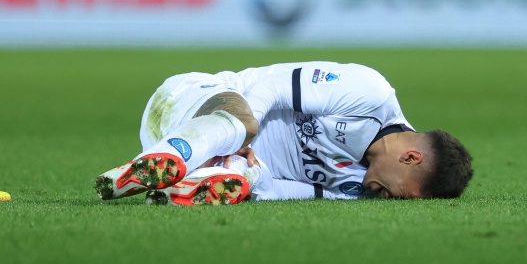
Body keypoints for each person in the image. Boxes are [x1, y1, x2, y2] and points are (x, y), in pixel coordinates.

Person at [95, 61, 474, 205]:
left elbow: (280, 191)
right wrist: (245, 139)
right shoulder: (370, 94)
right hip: (192, 101)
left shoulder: (358, 190)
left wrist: (257, 175)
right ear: (411, 158)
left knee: (243, 180)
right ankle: (171, 159)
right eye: (404, 195)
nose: (392, 201)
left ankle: (171, 184)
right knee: (243, 122)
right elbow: (274, 86)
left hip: (209, 155)